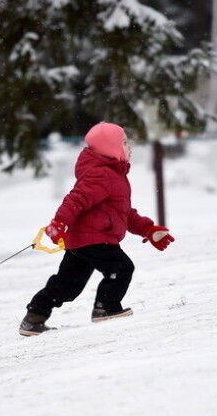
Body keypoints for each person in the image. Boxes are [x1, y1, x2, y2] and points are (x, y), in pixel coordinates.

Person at [19, 122, 175, 336]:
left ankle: (34, 317)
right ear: (111, 148)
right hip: (94, 239)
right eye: (124, 142)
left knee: (68, 284)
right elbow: (76, 200)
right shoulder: (102, 175)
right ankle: (106, 308)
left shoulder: (113, 176)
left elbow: (125, 214)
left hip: (83, 240)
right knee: (121, 268)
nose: (130, 147)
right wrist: (59, 223)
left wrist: (148, 230)